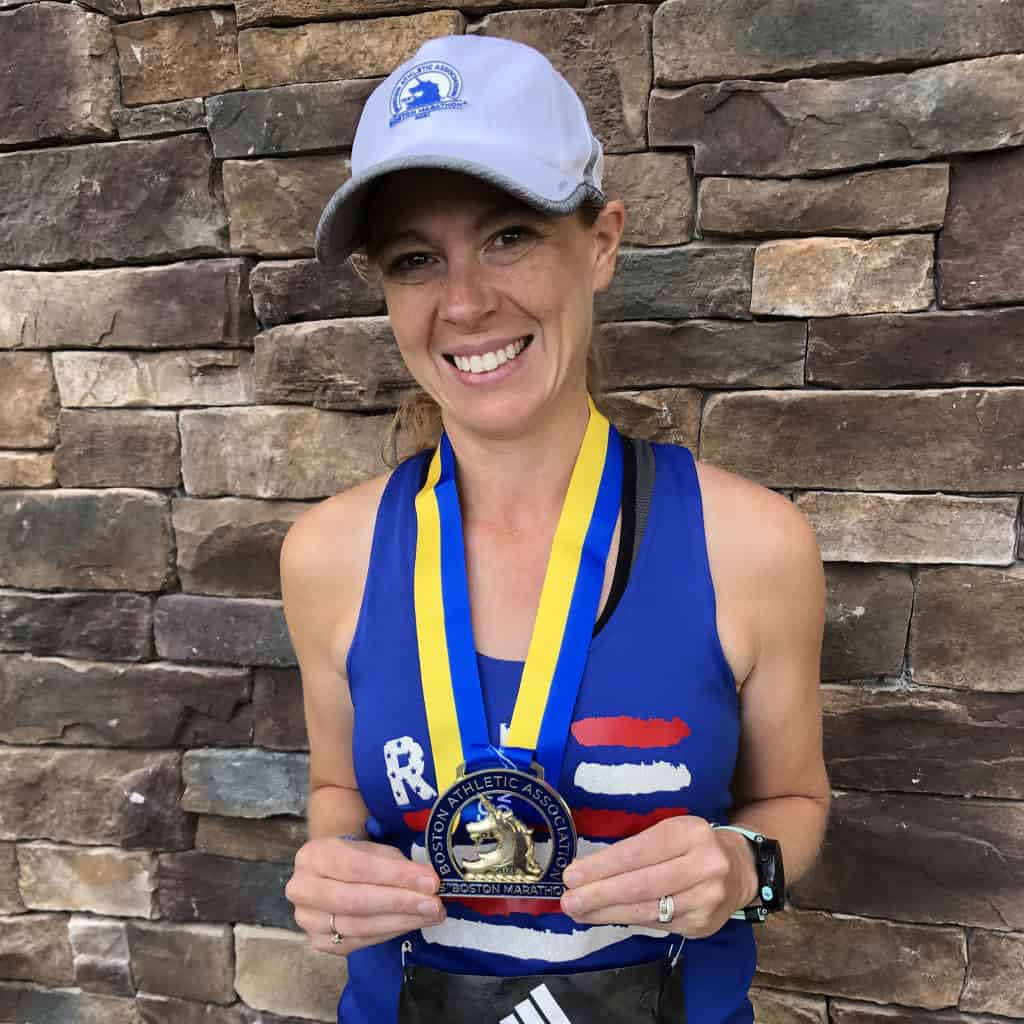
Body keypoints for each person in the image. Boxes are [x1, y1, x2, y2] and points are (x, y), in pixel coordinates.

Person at [281, 33, 830, 1024]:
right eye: (415, 259)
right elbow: (337, 792)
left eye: (509, 236)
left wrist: (743, 867)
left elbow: (795, 804)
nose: (464, 303)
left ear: (603, 242)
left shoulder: (753, 547)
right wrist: (333, 872)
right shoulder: (328, 557)